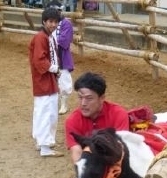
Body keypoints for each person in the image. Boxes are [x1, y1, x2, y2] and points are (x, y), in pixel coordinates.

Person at [65, 72, 130, 164]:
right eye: (80, 97)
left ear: (102, 98)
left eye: (89, 98)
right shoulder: (72, 121)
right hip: (89, 165)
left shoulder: (118, 114)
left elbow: (121, 148)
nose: (83, 103)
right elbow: (76, 150)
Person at [29, 8, 64, 157]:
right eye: (50, 21)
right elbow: (39, 60)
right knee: (47, 112)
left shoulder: (47, 37)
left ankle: (41, 141)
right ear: (44, 21)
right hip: (44, 80)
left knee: (43, 111)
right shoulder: (41, 38)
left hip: (46, 80)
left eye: (56, 22)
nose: (53, 24)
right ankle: (45, 146)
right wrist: (54, 68)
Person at [46, 0, 74, 115]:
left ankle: (64, 104)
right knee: (51, 78)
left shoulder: (66, 24)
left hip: (62, 56)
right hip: (50, 55)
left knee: (64, 79)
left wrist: (49, 41)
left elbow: (65, 41)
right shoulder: (48, 24)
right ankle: (54, 103)